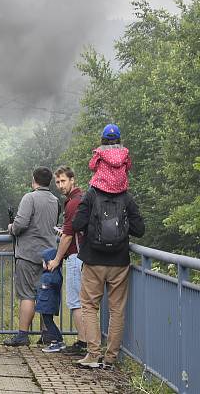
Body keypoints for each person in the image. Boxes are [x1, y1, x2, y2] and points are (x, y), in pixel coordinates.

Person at [72, 133, 144, 370]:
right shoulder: (127, 197)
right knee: (117, 310)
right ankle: (111, 359)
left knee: (90, 306)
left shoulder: (91, 194)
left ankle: (93, 355)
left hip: (93, 260)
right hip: (119, 262)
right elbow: (140, 229)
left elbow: (77, 224)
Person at [4, 167, 59, 346]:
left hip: (28, 254)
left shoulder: (29, 198)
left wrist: (11, 227)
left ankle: (22, 335)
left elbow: (20, 224)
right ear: (50, 181)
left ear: (33, 180)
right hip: (49, 255)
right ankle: (47, 334)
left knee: (27, 295)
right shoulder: (55, 200)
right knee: (45, 294)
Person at [46, 165, 87, 355]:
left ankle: (83, 343)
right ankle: (87, 342)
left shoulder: (72, 204)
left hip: (75, 257)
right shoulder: (82, 199)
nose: (60, 185)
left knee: (75, 302)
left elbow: (69, 236)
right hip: (84, 256)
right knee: (84, 302)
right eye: (58, 182)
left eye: (63, 181)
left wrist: (56, 259)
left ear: (72, 180)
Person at [88, 123, 131, 194]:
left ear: (103, 138)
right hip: (121, 187)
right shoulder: (125, 151)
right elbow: (128, 166)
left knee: (88, 196)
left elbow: (92, 166)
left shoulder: (100, 151)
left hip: (101, 186)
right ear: (118, 139)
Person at [36, 247, 64, 353]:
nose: (42, 264)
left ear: (50, 263)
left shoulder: (49, 276)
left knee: (48, 323)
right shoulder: (57, 275)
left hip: (46, 304)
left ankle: (54, 342)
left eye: (44, 262)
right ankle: (59, 340)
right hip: (50, 303)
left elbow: (44, 290)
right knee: (50, 322)